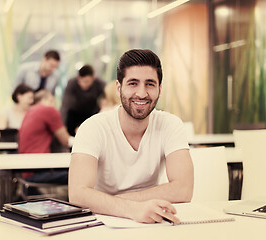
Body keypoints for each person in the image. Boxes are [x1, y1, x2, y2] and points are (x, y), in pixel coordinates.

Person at [69, 49, 194, 224]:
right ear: (119, 88)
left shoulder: (170, 124)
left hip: (151, 222)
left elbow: (183, 189)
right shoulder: (93, 127)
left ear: (159, 88)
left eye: (150, 84)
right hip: (101, 223)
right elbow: (77, 194)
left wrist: (118, 202)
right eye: (133, 83)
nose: (142, 93)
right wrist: (132, 209)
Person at [18, 90, 74, 187]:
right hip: (38, 171)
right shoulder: (48, 110)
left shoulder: (30, 111)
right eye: (53, 101)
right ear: (48, 99)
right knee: (80, 176)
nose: (55, 105)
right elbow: (66, 140)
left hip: (26, 170)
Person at [60, 64, 105, 136]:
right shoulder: (72, 83)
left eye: (87, 81)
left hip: (91, 113)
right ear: (78, 78)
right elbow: (65, 105)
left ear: (93, 78)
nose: (84, 84)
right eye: (81, 81)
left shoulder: (100, 84)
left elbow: (109, 95)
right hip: (74, 114)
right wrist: (62, 125)